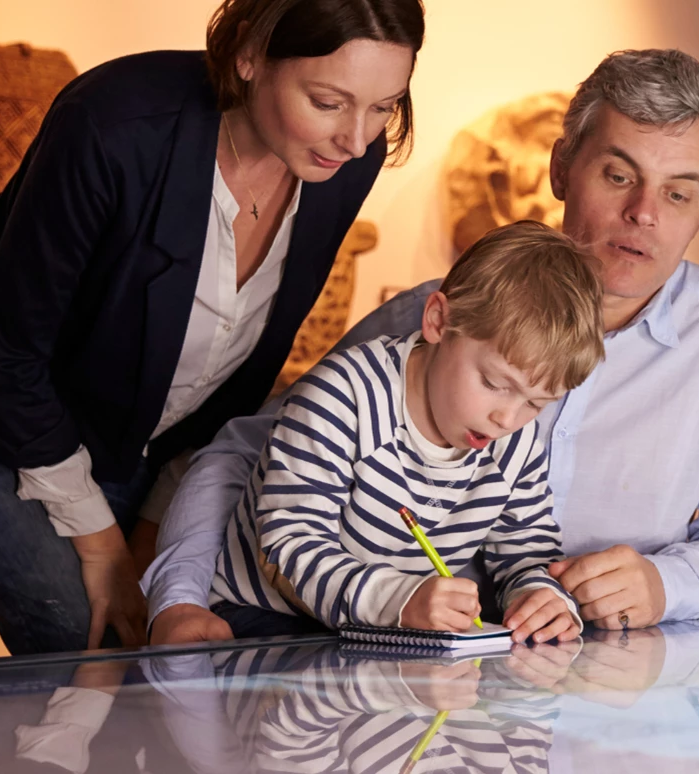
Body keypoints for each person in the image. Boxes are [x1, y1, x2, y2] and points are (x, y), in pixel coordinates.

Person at [144, 47, 699, 646]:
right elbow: (248, 458)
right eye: (618, 175)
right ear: (561, 169)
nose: (644, 213)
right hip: (378, 645)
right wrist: (173, 599)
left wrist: (662, 585)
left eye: (678, 193)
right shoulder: (437, 318)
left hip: (603, 670)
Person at [0, 0, 426, 655]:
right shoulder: (112, 124)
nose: (357, 139)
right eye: (328, 102)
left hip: (133, 437)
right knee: (89, 642)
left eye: (384, 106)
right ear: (248, 54)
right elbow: (7, 352)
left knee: (192, 633)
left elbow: (254, 356)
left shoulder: (344, 161)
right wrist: (101, 543)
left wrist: (156, 522)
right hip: (0, 409)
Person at [210, 220, 604, 644]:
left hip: (386, 632)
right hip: (266, 620)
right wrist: (399, 602)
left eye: (536, 403)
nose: (507, 420)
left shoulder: (515, 441)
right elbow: (288, 549)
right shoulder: (342, 398)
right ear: (438, 321)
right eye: (493, 383)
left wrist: (540, 598)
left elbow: (526, 549)